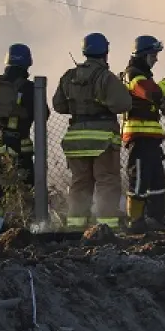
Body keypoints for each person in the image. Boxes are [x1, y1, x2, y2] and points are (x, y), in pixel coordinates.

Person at [52, 32, 132, 231]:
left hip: (76, 140)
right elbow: (123, 104)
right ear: (105, 52)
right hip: (102, 140)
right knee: (106, 182)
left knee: (80, 183)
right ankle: (107, 229)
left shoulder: (69, 77)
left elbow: (59, 105)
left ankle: (76, 228)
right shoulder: (106, 77)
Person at [0, 43, 44, 218]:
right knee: (27, 188)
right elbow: (43, 115)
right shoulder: (31, 88)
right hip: (20, 146)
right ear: (28, 63)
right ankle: (29, 222)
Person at [120, 35, 165, 233]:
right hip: (139, 139)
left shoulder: (144, 76)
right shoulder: (134, 74)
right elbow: (152, 93)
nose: (156, 59)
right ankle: (135, 221)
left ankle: (157, 218)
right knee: (138, 180)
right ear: (143, 54)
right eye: (153, 55)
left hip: (151, 140)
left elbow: (154, 98)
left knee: (157, 181)